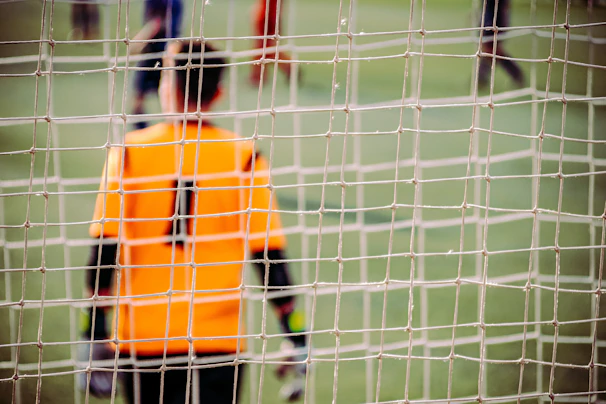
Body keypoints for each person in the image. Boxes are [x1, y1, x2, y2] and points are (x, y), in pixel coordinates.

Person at [79, 41, 308, 403]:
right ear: (219, 93)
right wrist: (296, 337)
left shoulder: (129, 154)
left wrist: (90, 336)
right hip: (217, 342)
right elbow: (269, 256)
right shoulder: (244, 156)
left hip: (142, 338)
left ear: (164, 86)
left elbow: (104, 252)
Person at [132, 0, 183, 129]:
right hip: (155, 50)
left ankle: (161, 133)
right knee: (139, 96)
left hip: (161, 52)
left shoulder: (170, 2)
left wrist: (140, 39)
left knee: (168, 94)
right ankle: (143, 132)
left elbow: (160, 22)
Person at [478, 0, 524, 88]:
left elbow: (498, 8)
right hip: (491, 21)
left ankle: (516, 74)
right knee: (489, 51)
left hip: (494, 23)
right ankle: (481, 77)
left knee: (492, 51)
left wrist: (488, 24)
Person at [250, 0, 297, 86]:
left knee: (264, 47)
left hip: (268, 15)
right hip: (266, 13)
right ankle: (258, 76)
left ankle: (258, 77)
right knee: (263, 47)